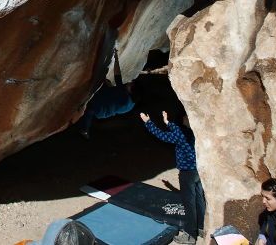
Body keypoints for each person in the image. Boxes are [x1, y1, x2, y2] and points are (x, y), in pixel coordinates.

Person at [140, 110, 205, 244]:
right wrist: (167, 122)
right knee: (199, 200)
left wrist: (148, 122)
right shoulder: (195, 130)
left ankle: (191, 235)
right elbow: (178, 129)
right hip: (199, 171)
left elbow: (162, 135)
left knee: (189, 204)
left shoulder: (180, 135)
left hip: (187, 173)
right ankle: (201, 228)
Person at [78, 48, 135, 139]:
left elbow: (117, 75)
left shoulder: (124, 96)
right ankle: (85, 128)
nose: (129, 83)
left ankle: (85, 129)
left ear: (131, 91)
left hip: (101, 109)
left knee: (90, 109)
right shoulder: (131, 104)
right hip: (105, 111)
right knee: (107, 83)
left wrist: (116, 58)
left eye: (131, 85)